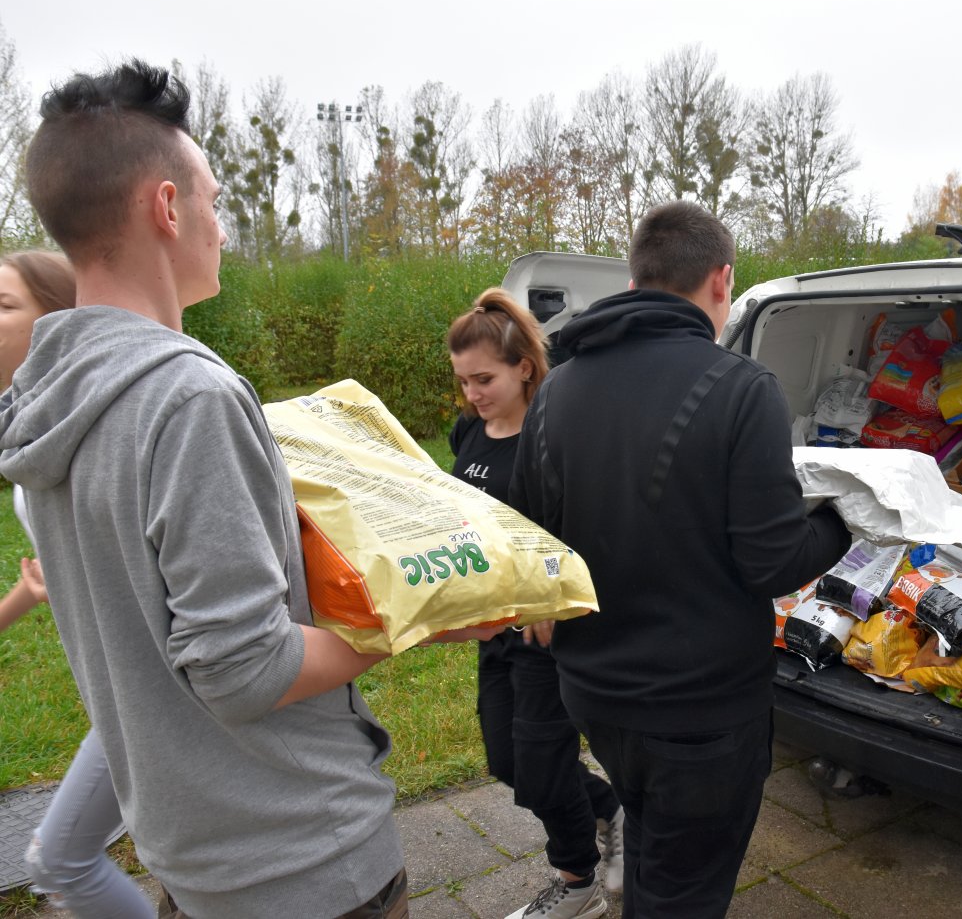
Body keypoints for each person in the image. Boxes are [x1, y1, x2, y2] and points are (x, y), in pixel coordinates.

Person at [0, 59, 495, 918]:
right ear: (165, 207)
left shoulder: (47, 404)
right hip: (303, 856)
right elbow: (241, 669)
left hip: (194, 853)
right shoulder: (188, 395)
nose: (221, 227)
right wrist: (419, 619)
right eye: (216, 201)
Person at [510, 200, 851, 917]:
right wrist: (847, 523)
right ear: (721, 281)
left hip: (596, 694)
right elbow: (772, 562)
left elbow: (535, 539)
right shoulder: (741, 388)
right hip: (700, 716)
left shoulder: (556, 391)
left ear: (635, 279)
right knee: (685, 891)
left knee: (657, 850)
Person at [445, 288, 621, 919]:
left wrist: (549, 592)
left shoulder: (555, 434)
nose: (472, 393)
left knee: (543, 769)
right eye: (464, 380)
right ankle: (612, 808)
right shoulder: (470, 428)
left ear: (524, 367)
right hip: (492, 625)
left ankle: (577, 886)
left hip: (547, 633)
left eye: (484, 378)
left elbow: (587, 525)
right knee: (506, 759)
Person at [0, 250, 152, 918]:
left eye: (4, 305)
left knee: (60, 857)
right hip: (119, 687)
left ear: (59, 323)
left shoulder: (101, 426)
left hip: (149, 689)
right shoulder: (32, 435)